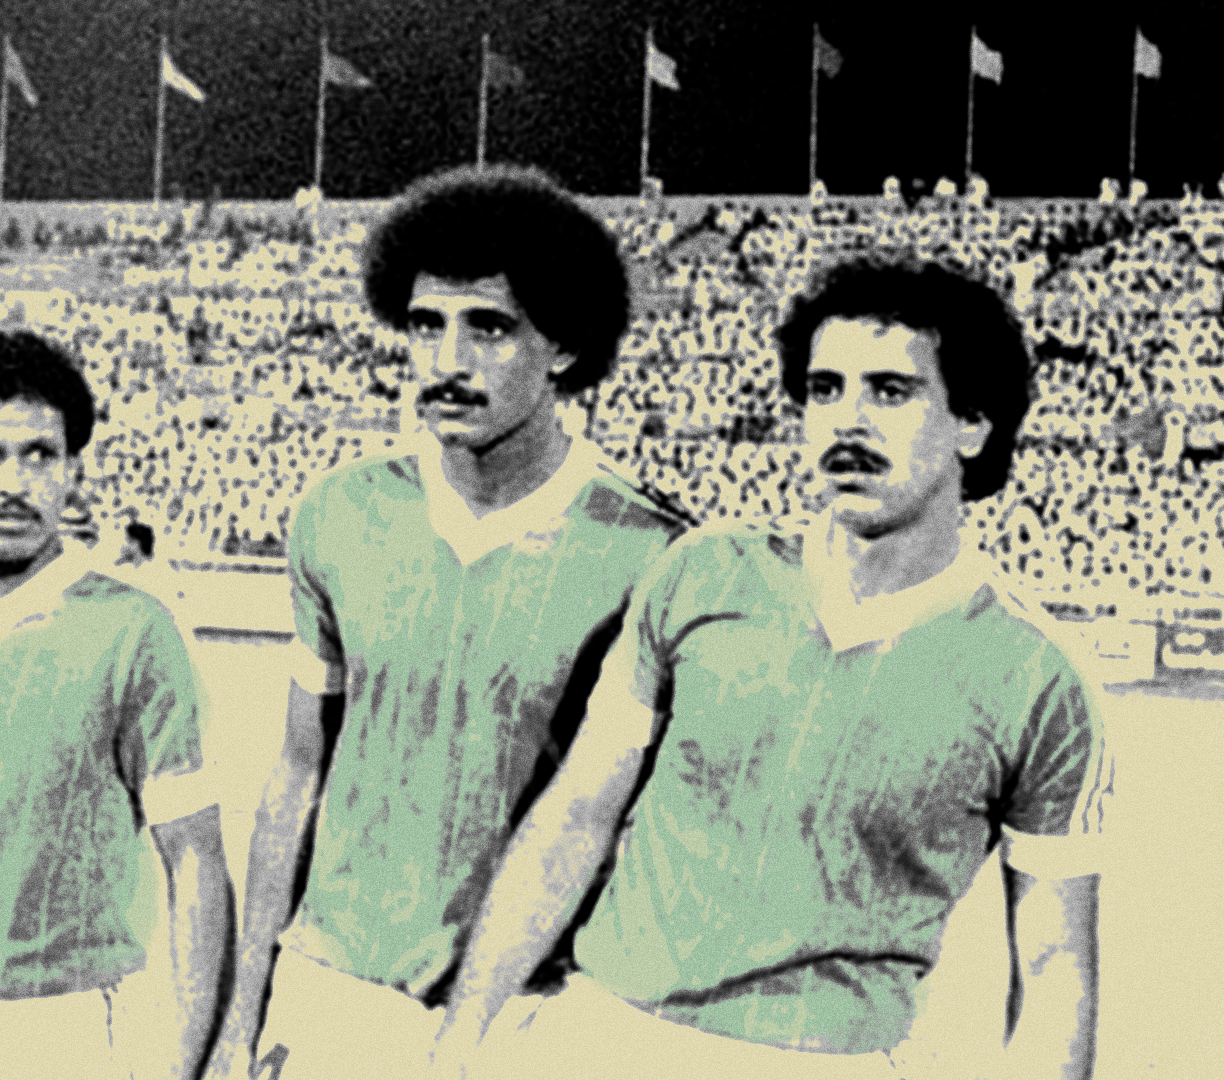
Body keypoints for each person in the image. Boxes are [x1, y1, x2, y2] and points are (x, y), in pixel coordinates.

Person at [432, 257, 1111, 1078]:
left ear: (971, 423)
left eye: (890, 391)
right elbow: (575, 816)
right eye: (824, 389)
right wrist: (461, 1039)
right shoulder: (707, 572)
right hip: (606, 1038)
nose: (847, 421)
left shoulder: (1039, 679)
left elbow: (1053, 967)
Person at [205, 164, 690, 1079]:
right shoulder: (340, 512)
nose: (446, 361)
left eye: (489, 328)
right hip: (330, 993)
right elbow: (297, 778)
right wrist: (241, 1023)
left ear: (564, 346)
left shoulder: (655, 554)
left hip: (525, 1018)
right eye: (426, 325)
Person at [0, 328, 231, 1079]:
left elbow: (196, 858)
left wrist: (187, 1063)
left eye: (39, 455)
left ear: (73, 471)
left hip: (61, 1028)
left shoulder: (134, 629)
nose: (15, 482)